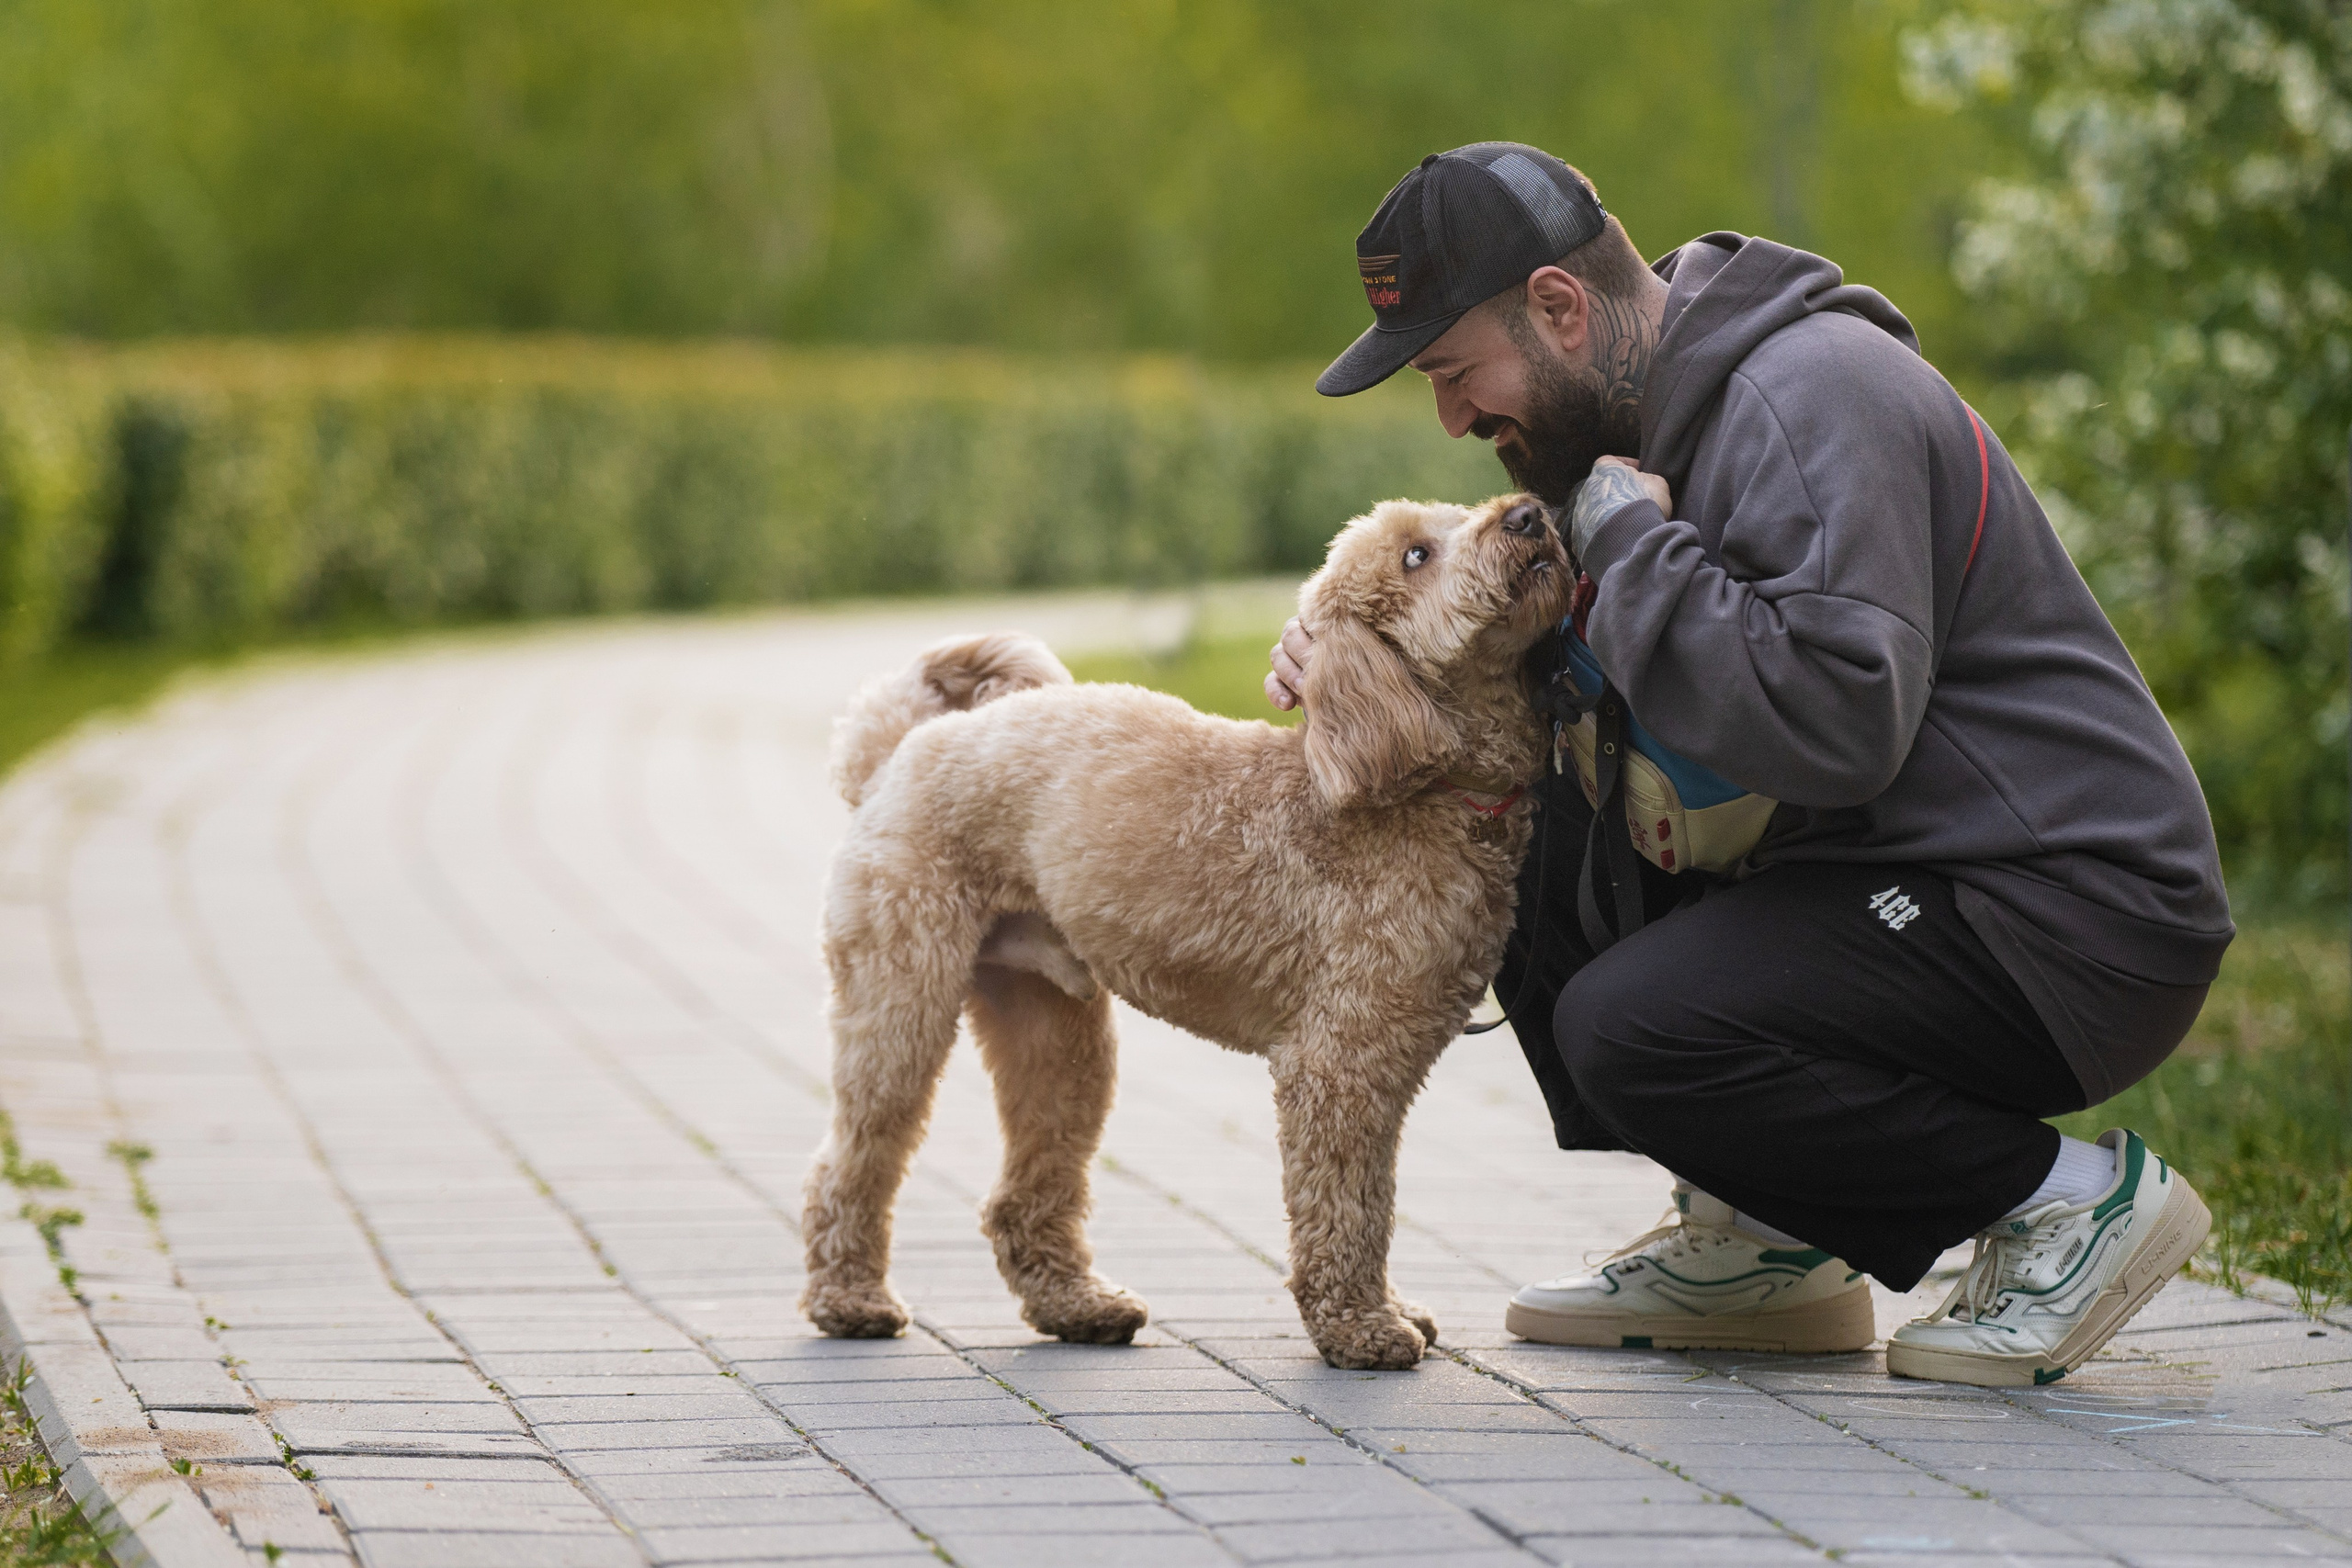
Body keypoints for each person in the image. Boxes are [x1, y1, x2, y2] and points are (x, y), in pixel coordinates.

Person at [1265, 142, 2232, 1387]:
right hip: (1897, 869)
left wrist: (1634, 547)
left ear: (1560, 308)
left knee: (1639, 1028)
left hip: (2064, 908)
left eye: (1457, 372)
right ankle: (1772, 1238)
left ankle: (2070, 1200)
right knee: (1498, 815)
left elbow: (1839, 721)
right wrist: (1357, 657)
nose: (1453, 416)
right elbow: (1572, 671)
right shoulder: (1629, 431)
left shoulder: (1812, 395)